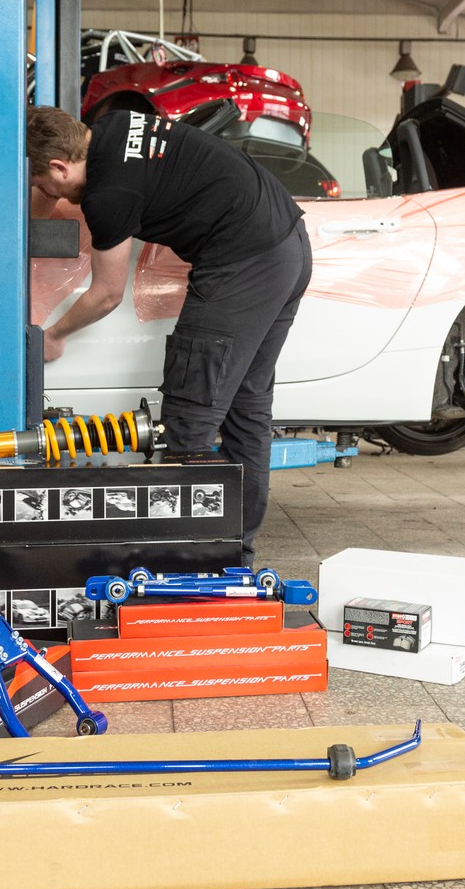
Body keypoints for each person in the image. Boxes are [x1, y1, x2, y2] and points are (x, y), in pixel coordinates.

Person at [26, 106, 312, 564]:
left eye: (43, 184)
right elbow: (46, 202)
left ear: (60, 166)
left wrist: (54, 335)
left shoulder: (108, 195)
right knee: (247, 410)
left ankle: (184, 562)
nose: (47, 195)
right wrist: (34, 200)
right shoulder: (115, 126)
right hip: (288, 245)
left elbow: (106, 294)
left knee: (188, 422)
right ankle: (232, 556)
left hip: (242, 264)